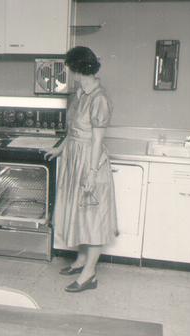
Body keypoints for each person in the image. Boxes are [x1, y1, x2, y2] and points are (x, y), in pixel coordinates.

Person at [45, 46, 118, 293]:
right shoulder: (80, 93)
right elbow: (72, 131)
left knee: (92, 216)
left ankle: (89, 275)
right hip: (74, 157)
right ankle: (81, 260)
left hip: (90, 160)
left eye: (70, 68)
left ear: (79, 69)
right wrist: (60, 149)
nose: (69, 72)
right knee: (80, 213)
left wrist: (92, 172)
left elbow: (96, 140)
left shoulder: (99, 99)